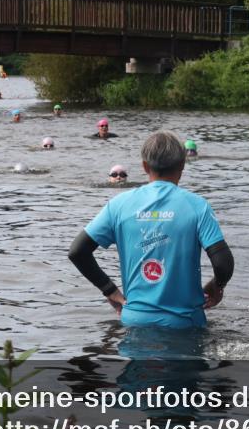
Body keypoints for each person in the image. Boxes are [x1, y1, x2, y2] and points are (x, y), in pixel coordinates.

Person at [69, 130, 234, 329]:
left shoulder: (119, 205)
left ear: (145, 166)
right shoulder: (197, 206)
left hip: (135, 321)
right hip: (185, 324)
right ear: (182, 165)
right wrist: (216, 286)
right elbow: (223, 263)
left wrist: (109, 290)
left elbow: (77, 252)